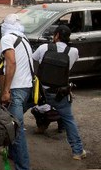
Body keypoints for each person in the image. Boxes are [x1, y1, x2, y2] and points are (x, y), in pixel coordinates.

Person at [31, 25, 86, 160]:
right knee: (69, 120)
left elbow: (35, 59)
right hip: (60, 93)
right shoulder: (73, 51)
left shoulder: (44, 48)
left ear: (55, 35)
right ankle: (77, 152)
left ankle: (11, 145)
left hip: (41, 92)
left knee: (20, 110)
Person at [0, 13, 35, 170]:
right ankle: (13, 154)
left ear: (5, 26)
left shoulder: (7, 39)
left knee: (16, 131)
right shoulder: (23, 38)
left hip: (16, 90)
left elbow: (10, 61)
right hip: (27, 89)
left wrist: (5, 90)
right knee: (13, 125)